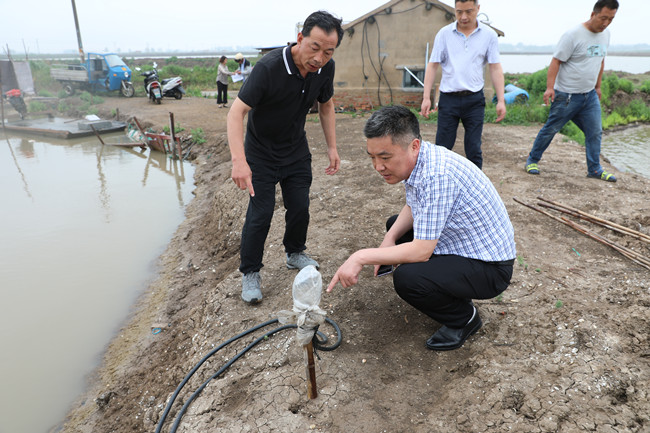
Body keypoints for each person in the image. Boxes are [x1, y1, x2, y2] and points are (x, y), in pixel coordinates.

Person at [327, 105, 516, 351]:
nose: (378, 166)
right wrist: (389, 238)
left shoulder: (437, 175)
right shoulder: (421, 159)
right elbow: (414, 204)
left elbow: (421, 251)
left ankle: (464, 319)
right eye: (372, 157)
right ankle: (450, 287)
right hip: (465, 246)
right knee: (395, 226)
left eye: (385, 158)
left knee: (408, 278)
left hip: (490, 268)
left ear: (414, 145)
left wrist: (360, 256)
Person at [227, 11, 344, 304]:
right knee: (261, 213)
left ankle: (294, 253)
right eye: (315, 48)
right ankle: (250, 272)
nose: (319, 58)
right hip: (261, 153)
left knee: (300, 206)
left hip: (295, 150)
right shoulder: (269, 68)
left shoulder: (325, 69)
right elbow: (236, 112)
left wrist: (332, 147)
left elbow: (326, 105)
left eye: (328, 52)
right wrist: (239, 161)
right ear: (300, 38)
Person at [525, 0, 618, 182]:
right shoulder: (573, 35)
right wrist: (550, 88)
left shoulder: (606, 34)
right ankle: (532, 160)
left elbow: (600, 61)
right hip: (566, 96)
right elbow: (556, 61)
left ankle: (595, 169)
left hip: (589, 96)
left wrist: (598, 86)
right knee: (551, 129)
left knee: (595, 132)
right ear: (593, 14)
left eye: (611, 19)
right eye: (603, 18)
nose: (606, 23)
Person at [420, 0, 506, 170]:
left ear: (478, 9)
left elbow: (495, 67)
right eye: (459, 12)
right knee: (442, 147)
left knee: (473, 148)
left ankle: (476, 184)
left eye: (469, 11)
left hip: (474, 100)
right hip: (448, 99)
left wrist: (501, 100)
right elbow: (433, 65)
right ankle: (439, 180)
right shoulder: (444, 34)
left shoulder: (488, 35)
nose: (464, 17)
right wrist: (426, 97)